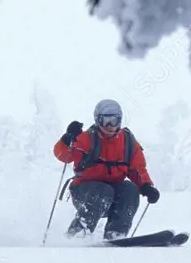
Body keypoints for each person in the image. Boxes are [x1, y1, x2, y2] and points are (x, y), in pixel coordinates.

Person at [53, 99, 159, 239]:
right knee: (103, 190)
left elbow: (137, 169)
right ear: (98, 120)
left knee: (130, 189)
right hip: (85, 193)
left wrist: (145, 186)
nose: (110, 126)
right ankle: (78, 232)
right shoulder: (87, 138)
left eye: (114, 120)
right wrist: (68, 139)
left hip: (114, 196)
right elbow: (63, 155)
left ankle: (116, 233)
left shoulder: (128, 142)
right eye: (106, 120)